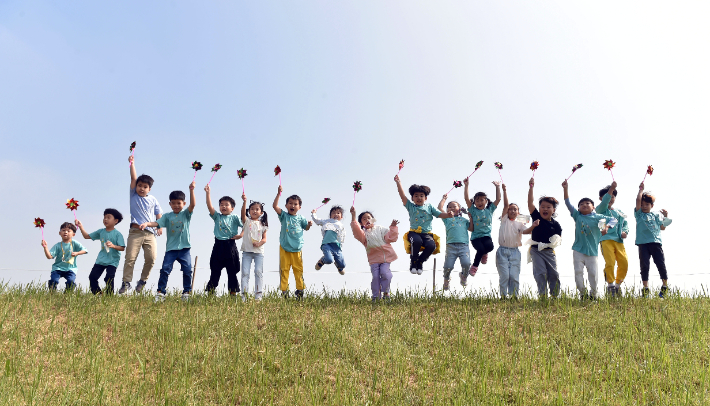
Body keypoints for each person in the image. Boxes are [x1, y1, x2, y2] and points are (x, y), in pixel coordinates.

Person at [139, 182, 196, 302]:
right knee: (165, 269)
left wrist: (191, 190)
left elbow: (193, 204)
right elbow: (157, 222)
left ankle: (187, 292)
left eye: (179, 203)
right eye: (173, 203)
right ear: (170, 204)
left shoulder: (186, 214)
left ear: (183, 204)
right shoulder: (167, 216)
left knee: (187, 270)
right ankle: (160, 292)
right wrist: (147, 224)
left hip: (185, 249)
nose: (176, 205)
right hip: (171, 249)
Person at [562, 179, 618, 299]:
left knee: (593, 274)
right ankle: (582, 294)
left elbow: (614, 220)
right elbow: (567, 203)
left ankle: (593, 295)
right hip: (578, 250)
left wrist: (607, 227)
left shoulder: (599, 217)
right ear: (579, 208)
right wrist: (565, 188)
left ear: (593, 207)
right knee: (578, 273)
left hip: (592, 252)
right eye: (581, 204)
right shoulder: (577, 216)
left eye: (587, 203)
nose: (584, 205)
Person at [120, 155, 163, 294]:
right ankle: (126, 283)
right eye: (139, 186)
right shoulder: (133, 195)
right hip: (135, 232)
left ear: (149, 189)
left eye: (145, 187)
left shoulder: (153, 199)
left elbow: (158, 214)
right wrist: (132, 163)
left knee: (151, 258)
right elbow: (133, 178)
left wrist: (160, 226)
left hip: (150, 233)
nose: (141, 188)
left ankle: (143, 280)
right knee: (130, 258)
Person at [394, 175, 453, 274]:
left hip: (426, 234)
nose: (419, 198)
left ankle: (420, 261)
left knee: (431, 246)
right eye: (416, 196)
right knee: (416, 241)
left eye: (421, 196)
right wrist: (398, 183)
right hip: (414, 233)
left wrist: (448, 215)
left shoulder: (429, 207)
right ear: (412, 198)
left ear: (425, 198)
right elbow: (402, 195)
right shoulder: (410, 206)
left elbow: (439, 214)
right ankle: (413, 261)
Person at [495, 184, 537, 298]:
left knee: (514, 276)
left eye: (515, 209)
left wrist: (533, 226)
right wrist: (504, 190)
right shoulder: (504, 220)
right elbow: (505, 205)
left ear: (518, 212)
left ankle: (514, 296)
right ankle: (503, 297)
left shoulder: (520, 222)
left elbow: (525, 231)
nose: (512, 210)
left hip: (515, 251)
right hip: (502, 251)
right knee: (505, 276)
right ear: (507, 211)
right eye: (510, 209)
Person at [350, 207, 399, 300]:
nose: (367, 220)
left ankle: (386, 293)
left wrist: (393, 227)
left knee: (385, 273)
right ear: (361, 223)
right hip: (374, 259)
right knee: (376, 277)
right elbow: (356, 230)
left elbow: (392, 238)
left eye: (369, 217)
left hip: (386, 257)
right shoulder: (363, 234)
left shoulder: (380, 228)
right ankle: (376, 296)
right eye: (364, 219)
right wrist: (353, 216)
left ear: (373, 219)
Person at [273, 185, 312, 299]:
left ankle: (300, 291)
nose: (292, 205)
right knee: (284, 270)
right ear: (286, 206)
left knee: (298, 271)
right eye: (290, 203)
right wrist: (278, 194)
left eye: (295, 204)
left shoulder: (301, 218)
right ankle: (285, 292)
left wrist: (309, 224)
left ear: (299, 207)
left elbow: (306, 228)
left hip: (297, 249)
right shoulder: (284, 216)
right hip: (285, 248)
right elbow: (275, 206)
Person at [634, 182, 672, 298]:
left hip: (655, 243)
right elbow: (637, 201)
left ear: (652, 205)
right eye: (643, 204)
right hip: (643, 244)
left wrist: (665, 216)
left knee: (661, 264)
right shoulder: (639, 215)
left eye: (647, 204)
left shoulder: (656, 215)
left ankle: (664, 286)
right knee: (644, 265)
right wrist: (641, 190)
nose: (644, 206)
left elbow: (662, 227)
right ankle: (645, 288)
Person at [527, 178, 563, 298]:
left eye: (548, 207)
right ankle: (543, 295)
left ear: (554, 210)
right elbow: (530, 203)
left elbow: (559, 238)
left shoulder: (556, 224)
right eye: (542, 206)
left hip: (549, 252)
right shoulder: (536, 216)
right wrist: (531, 187)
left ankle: (555, 296)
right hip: (536, 250)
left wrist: (556, 240)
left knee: (553, 274)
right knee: (541, 273)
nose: (545, 209)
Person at [75, 209, 126, 294]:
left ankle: (109, 296)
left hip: (112, 260)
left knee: (109, 277)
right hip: (101, 259)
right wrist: (81, 226)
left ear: (116, 221)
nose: (105, 219)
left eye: (108, 217)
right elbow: (86, 236)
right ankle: (98, 294)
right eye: (104, 217)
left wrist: (113, 246)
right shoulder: (101, 231)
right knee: (92, 277)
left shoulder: (118, 234)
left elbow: (122, 248)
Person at [204, 185, 243, 295]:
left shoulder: (235, 217)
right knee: (215, 270)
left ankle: (233, 293)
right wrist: (208, 193)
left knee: (232, 271)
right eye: (221, 205)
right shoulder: (217, 217)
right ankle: (211, 292)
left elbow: (246, 225)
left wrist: (241, 235)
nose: (224, 207)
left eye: (227, 205)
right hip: (218, 246)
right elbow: (209, 206)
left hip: (230, 245)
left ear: (232, 208)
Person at [463, 178, 501, 276]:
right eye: (477, 201)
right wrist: (466, 186)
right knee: (480, 249)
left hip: (486, 236)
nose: (479, 202)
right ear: (474, 202)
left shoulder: (490, 210)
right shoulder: (473, 210)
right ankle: (474, 266)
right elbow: (467, 199)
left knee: (490, 247)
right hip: (475, 237)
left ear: (486, 201)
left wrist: (497, 187)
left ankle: (484, 253)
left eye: (482, 200)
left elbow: (498, 199)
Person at [437, 195, 471, 290]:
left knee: (466, 263)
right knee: (448, 266)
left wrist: (470, 217)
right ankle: (446, 279)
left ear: (459, 209)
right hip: (451, 246)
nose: (452, 208)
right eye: (449, 207)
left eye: (454, 206)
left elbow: (471, 228)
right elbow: (439, 208)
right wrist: (444, 198)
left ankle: (463, 276)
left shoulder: (464, 220)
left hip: (464, 246)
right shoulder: (447, 218)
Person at [41, 222, 88, 292]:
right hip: (58, 268)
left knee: (71, 281)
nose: (65, 232)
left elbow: (85, 250)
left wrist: (77, 253)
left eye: (68, 231)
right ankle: (52, 293)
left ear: (73, 234)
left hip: (71, 268)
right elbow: (49, 256)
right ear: (60, 233)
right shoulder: (57, 245)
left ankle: (67, 294)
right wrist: (45, 247)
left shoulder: (74, 243)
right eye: (63, 230)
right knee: (53, 280)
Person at [240, 195, 268, 301]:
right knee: (245, 273)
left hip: (259, 252)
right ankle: (244, 295)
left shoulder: (263, 224)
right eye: (252, 209)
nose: (254, 211)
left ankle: (258, 296)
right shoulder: (247, 221)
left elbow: (265, 239)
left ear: (261, 212)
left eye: (257, 209)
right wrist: (244, 202)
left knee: (258, 272)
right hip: (247, 251)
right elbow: (242, 214)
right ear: (249, 211)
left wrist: (260, 243)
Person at [312, 206, 347, 275]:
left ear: (341, 217)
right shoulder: (327, 222)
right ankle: (322, 260)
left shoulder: (341, 225)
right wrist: (313, 213)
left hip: (336, 246)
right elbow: (317, 220)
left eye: (338, 213)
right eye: (333, 213)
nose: (336, 214)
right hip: (327, 244)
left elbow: (343, 237)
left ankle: (338, 266)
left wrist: (340, 246)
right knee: (329, 260)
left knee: (343, 265)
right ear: (330, 216)